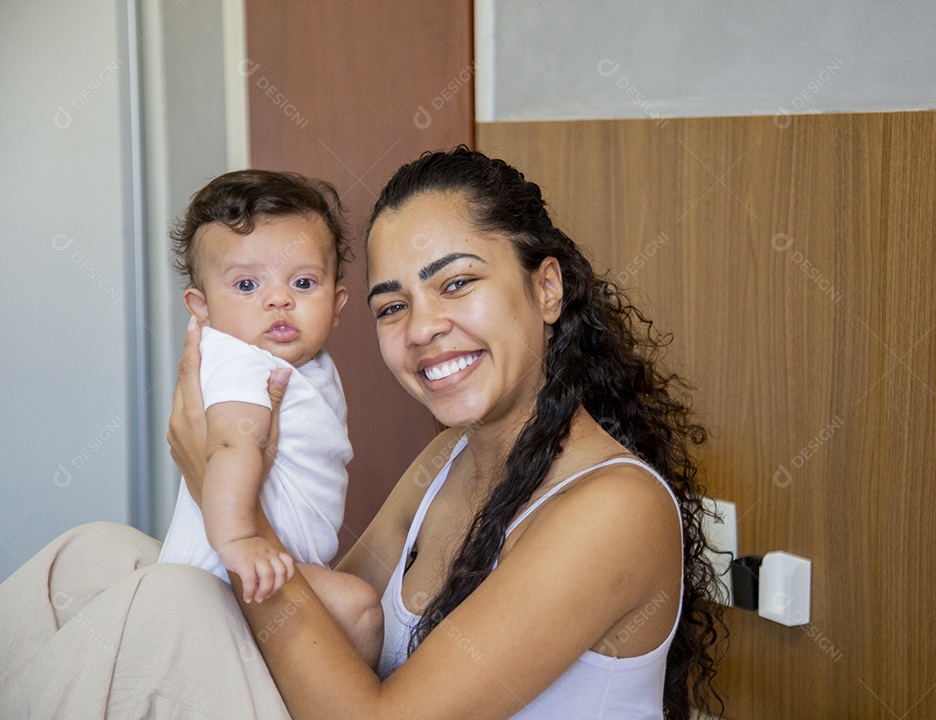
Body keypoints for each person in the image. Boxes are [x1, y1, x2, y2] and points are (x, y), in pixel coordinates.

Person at [0, 147, 724, 719]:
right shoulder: (449, 457)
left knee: (166, 610)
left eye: (456, 283)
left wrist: (225, 500)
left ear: (546, 287)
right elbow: (324, 617)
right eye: (391, 306)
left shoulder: (614, 509)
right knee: (91, 558)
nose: (424, 328)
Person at [157, 169, 383, 668]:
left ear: (337, 303)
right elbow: (231, 447)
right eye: (246, 284)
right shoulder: (243, 361)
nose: (278, 298)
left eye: (303, 282)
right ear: (203, 310)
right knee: (359, 609)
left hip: (259, 564)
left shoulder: (304, 363)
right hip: (227, 571)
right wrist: (240, 540)